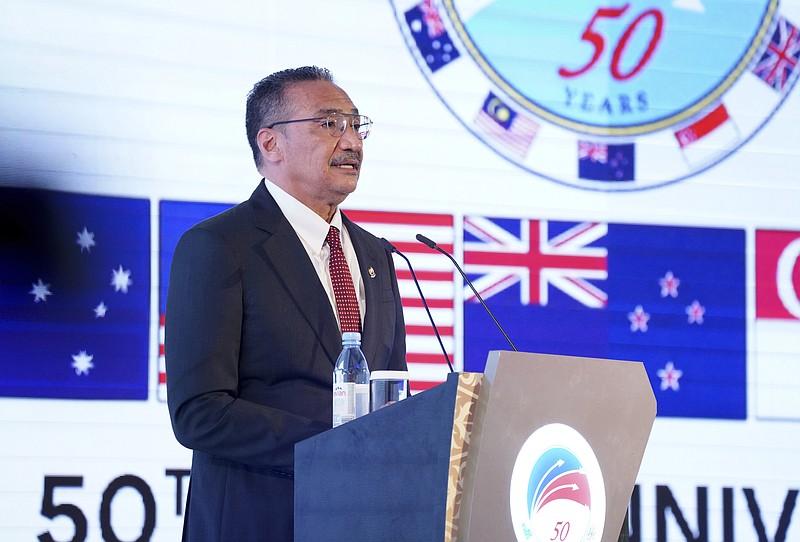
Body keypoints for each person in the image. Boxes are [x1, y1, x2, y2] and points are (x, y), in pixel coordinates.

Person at [165, 66, 408, 541]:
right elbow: (200, 411)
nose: (352, 141)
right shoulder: (219, 246)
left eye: (357, 125)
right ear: (270, 144)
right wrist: (336, 444)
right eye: (329, 123)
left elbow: (389, 393)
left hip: (364, 522)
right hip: (259, 519)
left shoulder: (377, 254)